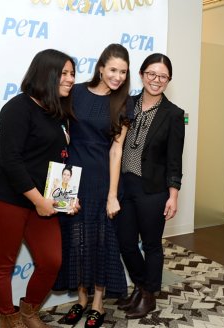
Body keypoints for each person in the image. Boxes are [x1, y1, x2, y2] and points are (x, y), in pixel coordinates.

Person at [0, 49, 79, 328]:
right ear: (46, 73)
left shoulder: (57, 111)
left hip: (41, 201)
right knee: (2, 265)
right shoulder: (17, 108)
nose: (71, 79)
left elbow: (57, 160)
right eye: (65, 73)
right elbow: (9, 160)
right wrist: (38, 200)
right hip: (4, 198)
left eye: (72, 73)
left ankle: (29, 311)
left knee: (51, 261)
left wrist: (63, 199)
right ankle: (9, 320)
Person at [53, 43, 132, 328]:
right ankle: (82, 299)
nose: (118, 76)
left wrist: (113, 195)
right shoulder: (74, 92)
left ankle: (98, 302)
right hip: (70, 177)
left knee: (101, 241)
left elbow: (116, 151)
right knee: (75, 240)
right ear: (101, 67)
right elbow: (61, 132)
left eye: (123, 71)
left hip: (102, 179)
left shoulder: (124, 102)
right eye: (113, 69)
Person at [114, 53, 185, 319]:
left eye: (163, 77)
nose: (156, 80)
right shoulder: (126, 104)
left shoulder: (174, 115)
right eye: (151, 74)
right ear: (142, 74)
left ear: (168, 81)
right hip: (124, 186)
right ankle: (142, 285)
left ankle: (149, 295)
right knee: (126, 243)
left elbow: (174, 160)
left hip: (153, 190)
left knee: (152, 245)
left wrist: (173, 196)